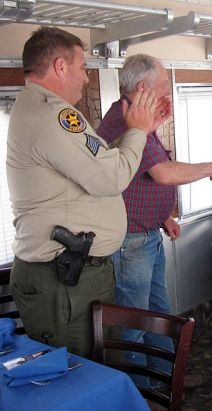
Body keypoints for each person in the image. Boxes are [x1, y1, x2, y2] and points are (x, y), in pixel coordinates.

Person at [6, 27, 161, 359]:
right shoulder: (53, 115)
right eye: (82, 67)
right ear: (61, 67)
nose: (87, 79)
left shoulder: (40, 108)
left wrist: (129, 138)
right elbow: (110, 178)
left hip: (69, 276)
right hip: (64, 280)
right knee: (86, 370)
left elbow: (98, 161)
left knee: (102, 366)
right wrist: (138, 130)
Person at [97, 54, 212, 389]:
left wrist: (164, 215)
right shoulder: (125, 121)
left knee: (158, 316)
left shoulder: (141, 122)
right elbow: (162, 173)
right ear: (142, 88)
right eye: (165, 85)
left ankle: (168, 381)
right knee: (136, 323)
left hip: (146, 236)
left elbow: (137, 178)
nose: (169, 92)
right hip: (129, 243)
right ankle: (143, 395)